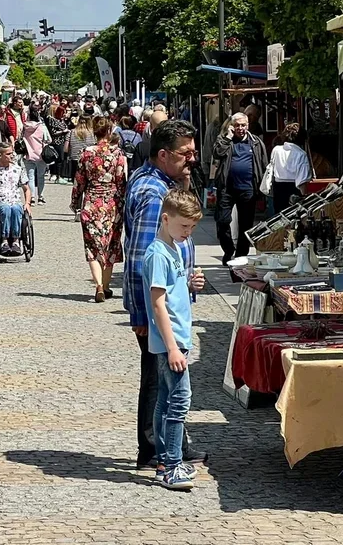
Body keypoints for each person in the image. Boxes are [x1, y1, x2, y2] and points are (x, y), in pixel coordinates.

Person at [124, 119, 206, 472]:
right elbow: (141, 258)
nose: (193, 158)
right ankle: (156, 451)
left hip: (171, 303)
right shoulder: (153, 193)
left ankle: (167, 446)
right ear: (162, 154)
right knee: (161, 383)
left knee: (164, 382)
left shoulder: (167, 186)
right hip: (157, 313)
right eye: (185, 153)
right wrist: (141, 314)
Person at [141, 189, 204, 490]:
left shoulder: (174, 248)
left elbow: (173, 291)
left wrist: (191, 283)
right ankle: (172, 466)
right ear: (166, 219)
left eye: (191, 228)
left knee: (166, 402)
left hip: (177, 338)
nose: (187, 233)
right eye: (184, 227)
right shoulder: (157, 254)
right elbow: (157, 303)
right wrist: (171, 348)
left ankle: (166, 460)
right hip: (171, 342)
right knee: (179, 401)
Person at [70, 118, 127, 302]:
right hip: (111, 204)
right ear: (109, 131)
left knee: (92, 247)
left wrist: (74, 201)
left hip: (91, 203)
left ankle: (99, 286)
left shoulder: (86, 153)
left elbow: (79, 181)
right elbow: (121, 180)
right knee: (110, 245)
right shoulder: (117, 153)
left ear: (94, 131)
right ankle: (107, 284)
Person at [211, 113, 267, 265]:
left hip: (248, 189)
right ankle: (228, 250)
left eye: (243, 125)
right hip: (227, 188)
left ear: (247, 125)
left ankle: (241, 255)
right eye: (237, 125)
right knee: (223, 221)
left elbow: (263, 163)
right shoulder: (225, 140)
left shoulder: (255, 142)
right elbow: (217, 152)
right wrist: (228, 137)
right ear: (232, 126)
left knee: (245, 224)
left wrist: (262, 185)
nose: (240, 128)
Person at [269, 123, 313, 210]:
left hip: (278, 188)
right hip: (294, 189)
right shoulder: (301, 154)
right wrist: (304, 197)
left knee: (279, 217)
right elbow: (302, 180)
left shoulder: (276, 150)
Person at [21, 110, 48, 205]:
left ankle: (31, 197)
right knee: (41, 177)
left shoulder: (24, 126)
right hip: (41, 154)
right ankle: (40, 197)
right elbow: (48, 139)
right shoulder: (41, 126)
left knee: (30, 177)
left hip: (28, 154)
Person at [65, 116, 96, 183]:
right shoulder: (93, 133)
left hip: (75, 158)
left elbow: (65, 149)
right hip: (89, 158)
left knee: (76, 183)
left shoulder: (71, 132)